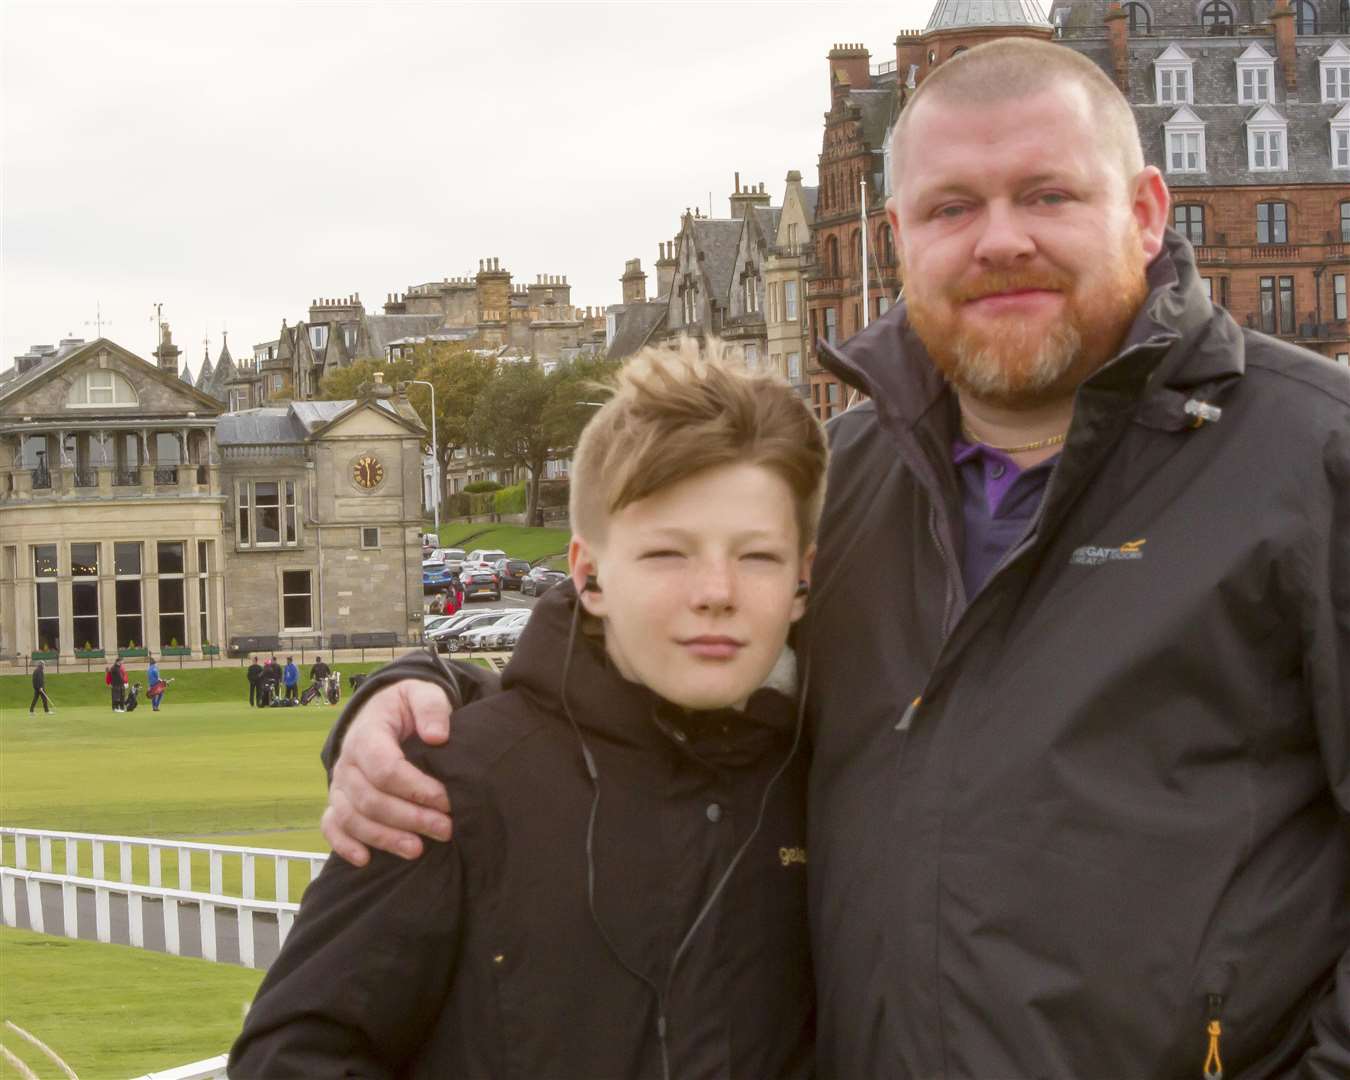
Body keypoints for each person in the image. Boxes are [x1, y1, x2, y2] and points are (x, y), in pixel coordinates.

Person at [318, 40, 1350, 1079]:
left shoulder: (1313, 456)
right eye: (952, 208)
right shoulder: (843, 472)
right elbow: (665, 658)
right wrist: (431, 689)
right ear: (896, 236)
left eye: (1047, 195)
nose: (1000, 241)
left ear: (1143, 209)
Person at [230, 342, 824, 1076]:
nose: (716, 590)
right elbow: (290, 1056)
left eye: (757, 556)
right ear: (589, 575)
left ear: (804, 578)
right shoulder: (452, 785)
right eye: (667, 553)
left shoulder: (832, 780)